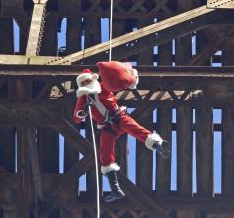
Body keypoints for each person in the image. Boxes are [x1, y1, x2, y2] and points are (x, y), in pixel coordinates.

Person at [73, 61, 171, 202]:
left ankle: (159, 145)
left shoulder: (102, 87)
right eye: (83, 83)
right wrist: (83, 112)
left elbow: (113, 83)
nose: (86, 84)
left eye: (88, 81)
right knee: (105, 155)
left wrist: (128, 79)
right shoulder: (83, 98)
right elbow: (77, 117)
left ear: (93, 79)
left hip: (118, 117)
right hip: (107, 127)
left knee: (136, 129)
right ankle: (115, 189)